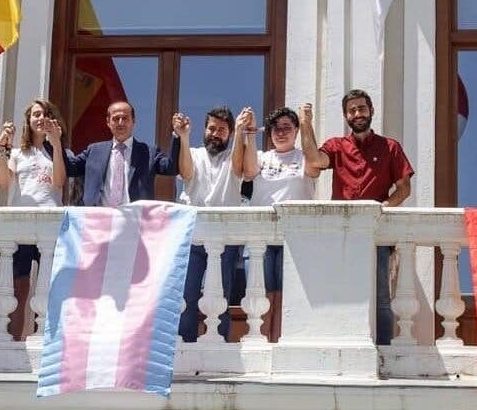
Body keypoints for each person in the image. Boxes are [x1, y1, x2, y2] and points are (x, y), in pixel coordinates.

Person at [301, 89, 414, 345]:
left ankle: (383, 349)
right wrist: (306, 124)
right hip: (340, 232)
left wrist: (385, 207)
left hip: (376, 232)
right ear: (345, 116)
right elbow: (314, 159)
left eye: (362, 109)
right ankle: (335, 344)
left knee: (381, 296)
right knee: (337, 290)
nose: (357, 114)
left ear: (371, 111)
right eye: (352, 110)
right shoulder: (337, 146)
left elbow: (404, 188)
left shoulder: (390, 147)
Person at [174, 106, 256, 343]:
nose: (215, 133)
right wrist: (184, 137)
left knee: (221, 294)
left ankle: (219, 343)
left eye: (222, 130)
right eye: (212, 128)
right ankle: (185, 345)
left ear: (229, 133)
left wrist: (242, 131)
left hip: (225, 238)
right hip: (193, 236)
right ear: (205, 129)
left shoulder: (233, 155)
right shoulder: (194, 153)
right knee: (187, 295)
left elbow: (241, 169)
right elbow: (186, 173)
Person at [0, 99, 67, 340]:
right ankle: (14, 339)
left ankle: (43, 337)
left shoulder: (61, 152)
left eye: (46, 113)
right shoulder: (17, 154)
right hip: (20, 224)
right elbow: (3, 182)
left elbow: (58, 182)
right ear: (28, 120)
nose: (40, 118)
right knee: (19, 285)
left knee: (47, 285)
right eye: (36, 114)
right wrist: (2, 149)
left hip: (50, 225)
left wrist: (55, 144)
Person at [247, 104, 320, 342]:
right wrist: (247, 132)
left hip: (295, 238)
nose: (280, 132)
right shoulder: (261, 158)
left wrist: (307, 122)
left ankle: (281, 341)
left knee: (288, 293)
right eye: (275, 129)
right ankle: (263, 341)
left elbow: (315, 166)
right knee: (261, 293)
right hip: (262, 237)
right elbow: (247, 171)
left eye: (287, 127)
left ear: (296, 131)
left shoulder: (303, 157)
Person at [62, 100, 179, 206]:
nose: (120, 123)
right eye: (115, 118)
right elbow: (69, 168)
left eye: (125, 118)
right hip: (99, 220)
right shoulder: (94, 151)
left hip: (134, 219)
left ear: (133, 121)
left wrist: (178, 135)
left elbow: (171, 168)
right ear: (108, 122)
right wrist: (56, 142)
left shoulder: (148, 152)